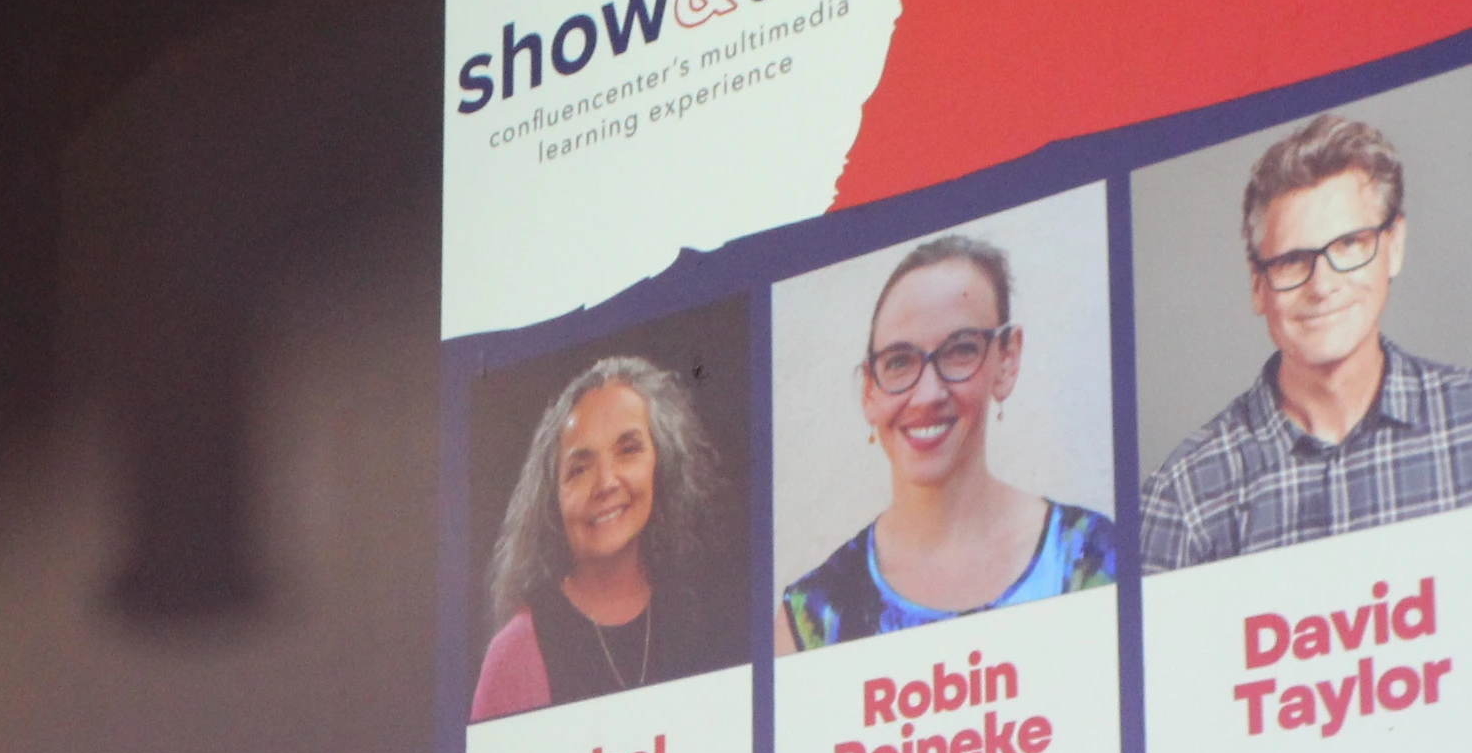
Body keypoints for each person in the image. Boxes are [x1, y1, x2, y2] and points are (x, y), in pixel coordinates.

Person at [1140, 114, 1472, 572]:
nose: (1323, 286)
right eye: (1293, 260)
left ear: (1394, 246)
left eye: (1350, 243)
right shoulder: (1184, 497)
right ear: (1257, 285)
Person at [777, 234, 1117, 652]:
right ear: (869, 391)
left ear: (1007, 361)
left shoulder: (1092, 561)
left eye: (960, 351)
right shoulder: (810, 618)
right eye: (898, 362)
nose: (928, 394)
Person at [471, 355, 720, 720]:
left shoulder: (701, 613)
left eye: (628, 450)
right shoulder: (517, 652)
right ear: (553, 498)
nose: (605, 483)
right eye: (580, 469)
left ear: (662, 462)